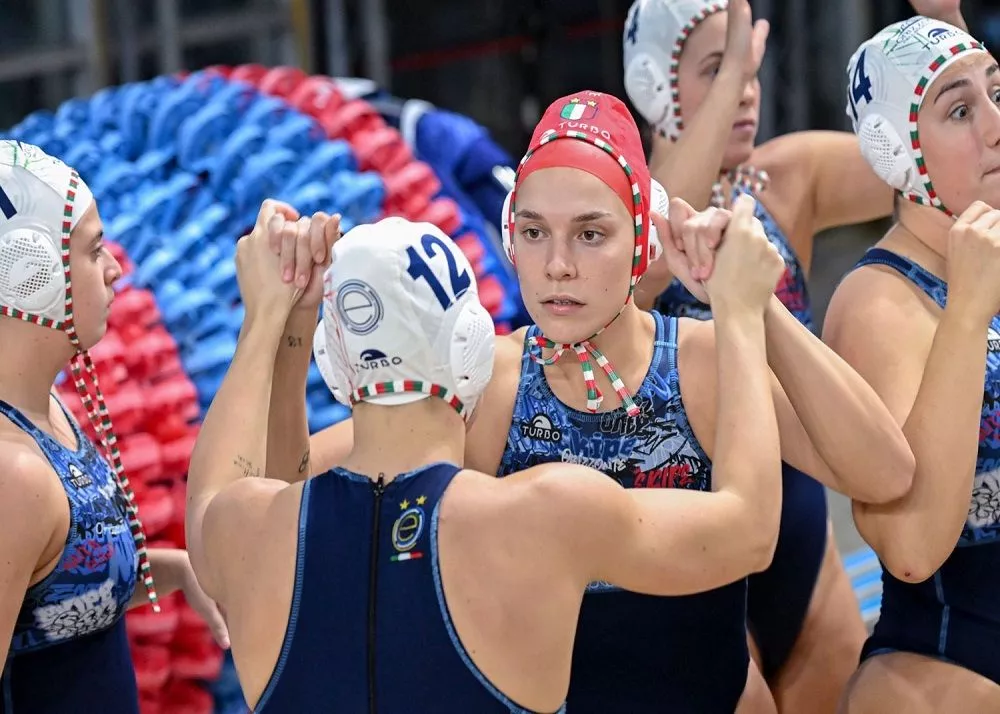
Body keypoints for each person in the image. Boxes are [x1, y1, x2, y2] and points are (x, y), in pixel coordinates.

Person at [295, 90, 914, 713]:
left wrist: (757, 305)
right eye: (534, 232)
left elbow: (884, 473)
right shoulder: (488, 384)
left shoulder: (702, 362)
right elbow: (296, 486)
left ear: (644, 239)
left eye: (590, 234)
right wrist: (282, 326)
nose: (557, 265)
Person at [184, 203, 788, 712]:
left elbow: (236, 485)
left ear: (333, 364)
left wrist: (270, 318)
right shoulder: (546, 514)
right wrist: (737, 311)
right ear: (471, 348)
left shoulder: (245, 534)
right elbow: (751, 530)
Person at [621, 1, 968, 710]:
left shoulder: (787, 179)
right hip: (695, 551)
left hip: (803, 540)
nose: (745, 88)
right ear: (654, 82)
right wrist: (728, 83)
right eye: (718, 69)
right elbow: (655, 233)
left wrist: (947, 23)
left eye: (750, 67)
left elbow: (943, 155)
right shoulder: (616, 217)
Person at [0, 140, 227, 713]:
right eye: (93, 249)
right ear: (32, 273)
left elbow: (45, 613)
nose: (114, 268)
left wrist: (171, 570)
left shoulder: (47, 411)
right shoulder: (13, 475)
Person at [823, 17, 1000, 713]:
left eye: (996, 93)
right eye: (961, 110)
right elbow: (912, 546)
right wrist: (967, 312)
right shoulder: (878, 305)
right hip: (954, 659)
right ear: (899, 156)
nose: (995, 123)